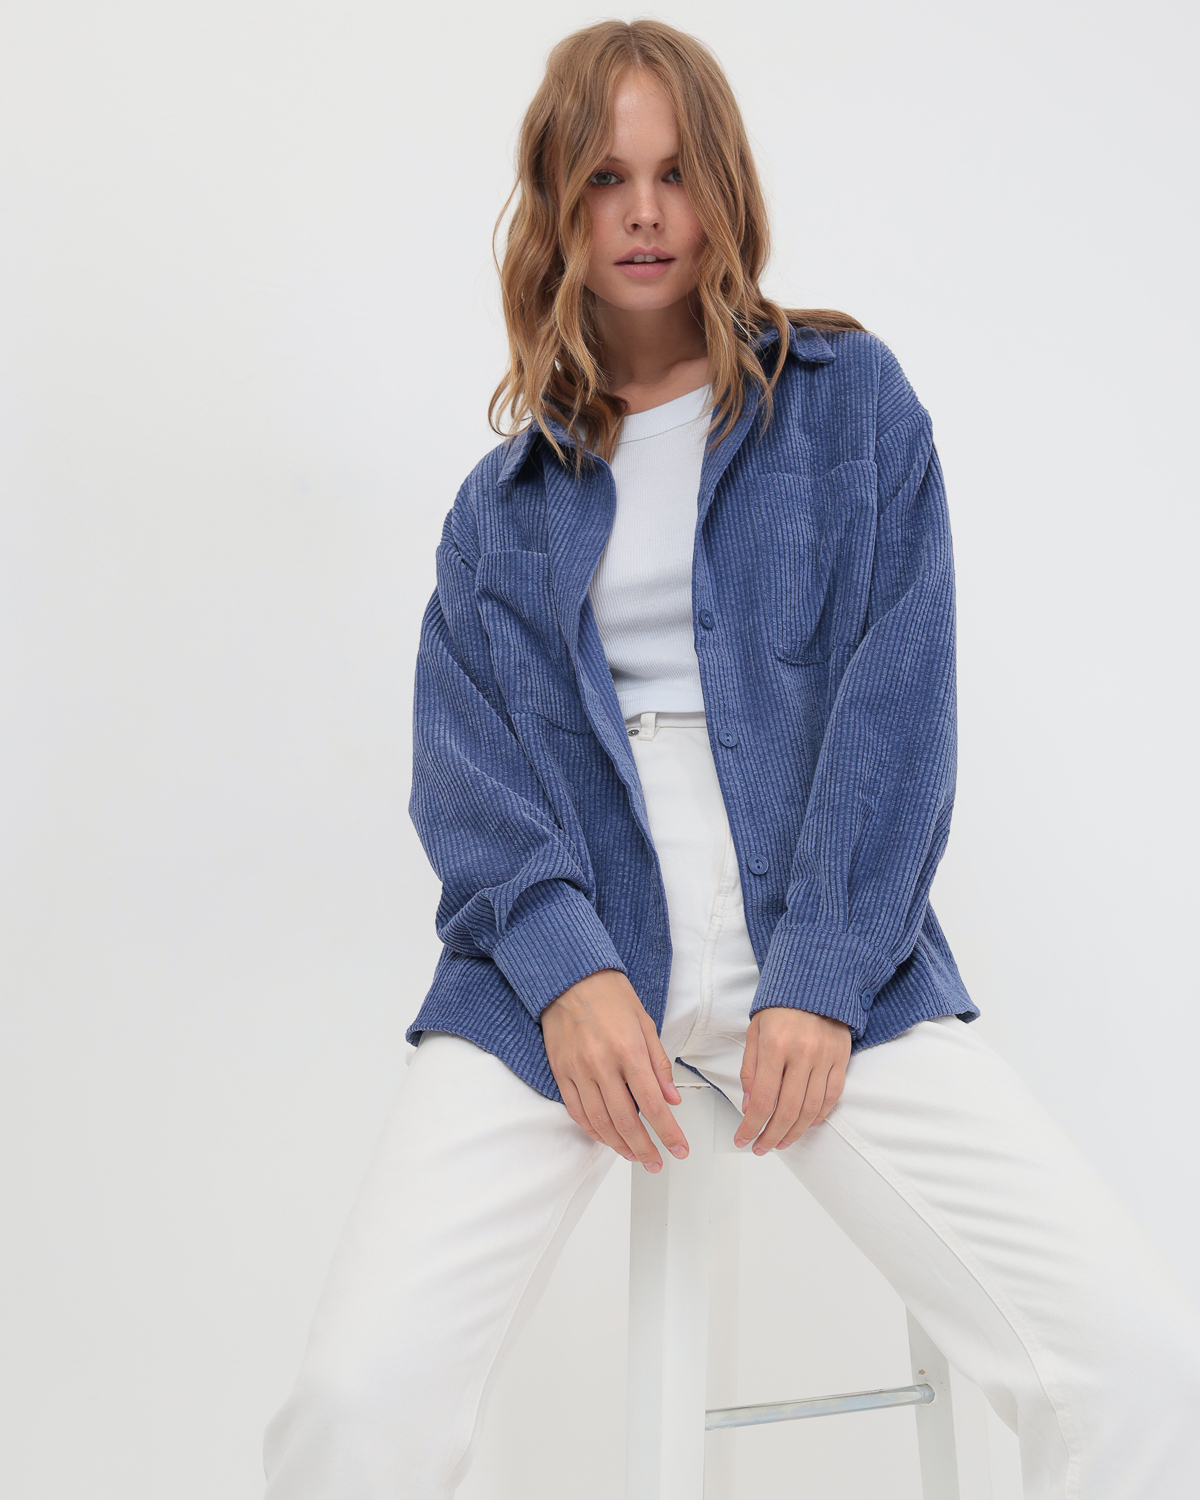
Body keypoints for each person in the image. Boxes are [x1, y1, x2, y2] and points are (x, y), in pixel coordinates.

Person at [262, 19, 1200, 1499]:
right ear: (557, 205)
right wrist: (565, 968)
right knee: (354, 1402)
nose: (645, 213)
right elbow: (466, 767)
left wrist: (820, 973)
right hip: (568, 951)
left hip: (823, 931)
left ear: (724, 190)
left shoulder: (848, 404)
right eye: (605, 178)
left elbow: (900, 704)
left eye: (676, 174)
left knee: (1139, 1367)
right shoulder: (501, 504)